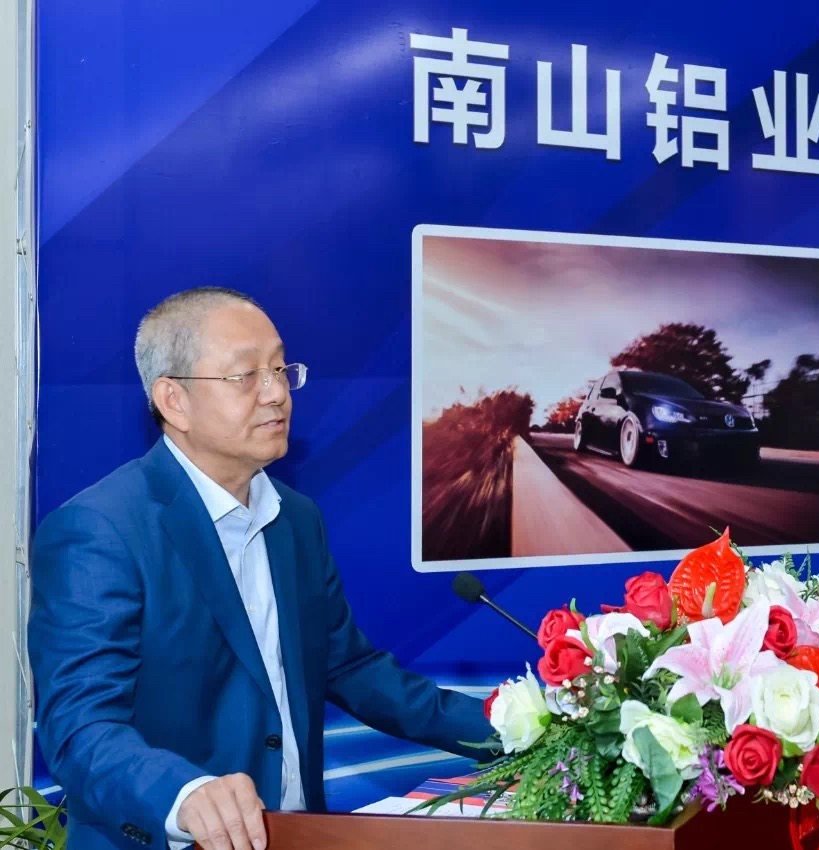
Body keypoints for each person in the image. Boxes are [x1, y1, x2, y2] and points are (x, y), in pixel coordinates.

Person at [28, 288, 494, 850]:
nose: (276, 393)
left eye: (280, 369)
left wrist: (518, 732)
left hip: (297, 833)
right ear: (174, 400)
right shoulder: (100, 529)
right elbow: (80, 729)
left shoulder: (295, 517)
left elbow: (350, 668)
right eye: (245, 375)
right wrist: (185, 793)